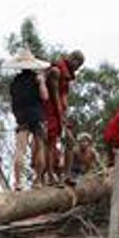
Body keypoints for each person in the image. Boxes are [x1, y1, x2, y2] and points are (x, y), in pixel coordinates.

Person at [6, 49, 50, 190]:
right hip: (37, 115)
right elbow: (45, 97)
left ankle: (18, 183)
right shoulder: (37, 79)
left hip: (22, 116)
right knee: (40, 148)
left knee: (20, 149)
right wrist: (42, 82)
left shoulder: (14, 83)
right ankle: (37, 180)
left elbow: (14, 102)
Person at [44, 50, 84, 182]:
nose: (77, 69)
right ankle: (50, 175)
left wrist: (65, 113)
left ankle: (67, 175)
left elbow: (64, 97)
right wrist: (60, 116)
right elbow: (55, 97)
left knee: (70, 142)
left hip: (61, 112)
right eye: (77, 65)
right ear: (73, 59)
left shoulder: (68, 76)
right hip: (50, 112)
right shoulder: (56, 71)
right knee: (51, 143)